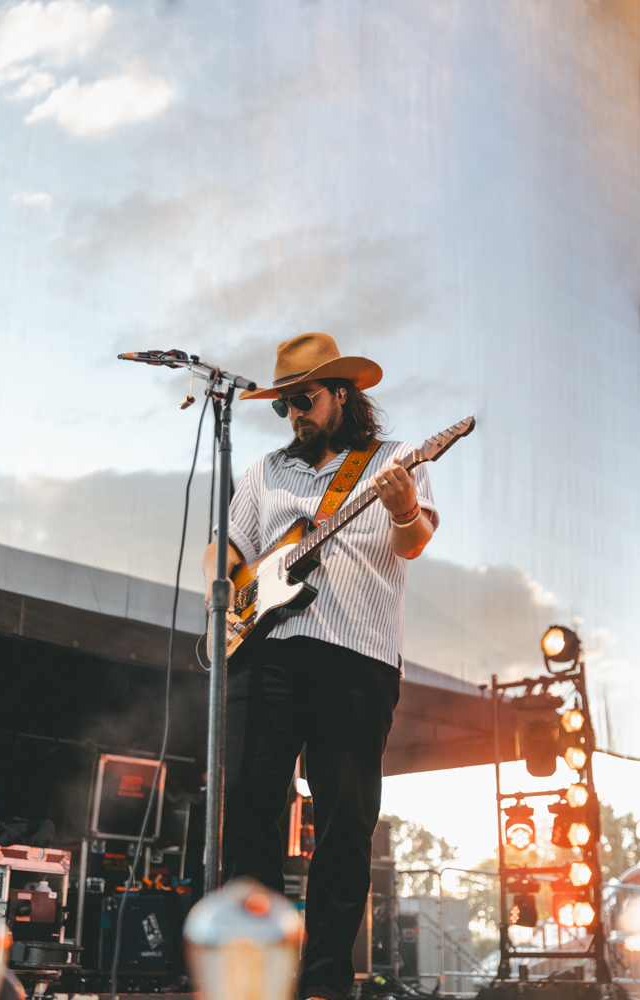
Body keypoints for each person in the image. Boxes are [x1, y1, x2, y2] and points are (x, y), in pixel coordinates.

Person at [202, 332, 439, 1000]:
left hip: (356, 657)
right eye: (283, 406)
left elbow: (413, 544)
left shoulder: (396, 460)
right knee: (247, 812)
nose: (293, 416)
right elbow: (226, 551)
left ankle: (325, 984)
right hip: (266, 653)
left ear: (340, 393)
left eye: (302, 400)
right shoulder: (263, 472)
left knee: (344, 822)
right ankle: (253, 977)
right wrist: (240, 584)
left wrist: (402, 507)